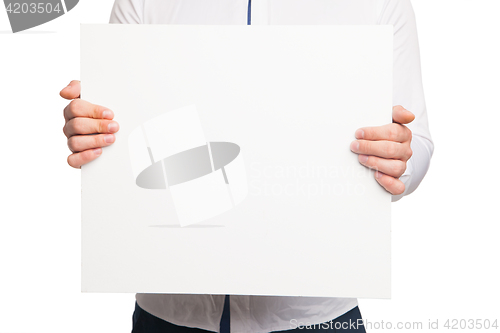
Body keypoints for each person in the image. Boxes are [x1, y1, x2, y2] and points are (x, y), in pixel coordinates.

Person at [60, 0, 433, 332]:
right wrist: (91, 131)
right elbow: (119, 129)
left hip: (317, 315)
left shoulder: (380, 4)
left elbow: (418, 143)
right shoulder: (143, 2)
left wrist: (400, 158)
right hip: (169, 314)